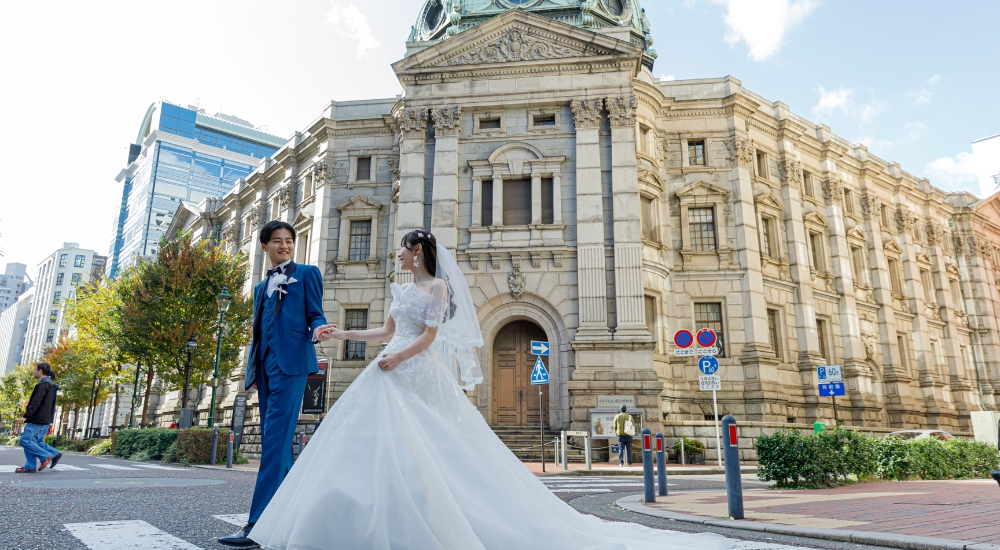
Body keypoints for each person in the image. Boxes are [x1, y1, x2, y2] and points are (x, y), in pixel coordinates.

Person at [245, 229, 730, 550]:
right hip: (390, 365)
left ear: (418, 252)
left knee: (434, 440)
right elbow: (385, 330)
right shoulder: (400, 289)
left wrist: (398, 355)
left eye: (402, 248)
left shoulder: (436, 289)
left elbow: (430, 337)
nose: (396, 252)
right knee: (372, 438)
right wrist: (344, 334)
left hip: (413, 366)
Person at [218, 220, 336, 547]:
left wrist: (319, 329)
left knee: (272, 442)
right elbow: (257, 334)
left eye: (288, 240)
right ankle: (287, 518)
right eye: (277, 241)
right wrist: (252, 373)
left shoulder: (307, 273)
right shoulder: (259, 288)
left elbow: (316, 313)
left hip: (293, 363)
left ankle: (256, 525)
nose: (284, 245)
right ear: (265, 246)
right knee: (280, 444)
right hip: (267, 368)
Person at [16, 363, 61, 473]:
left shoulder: (43, 385)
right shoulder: (48, 385)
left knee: (25, 440)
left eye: (35, 369)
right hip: (41, 418)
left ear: (40, 371)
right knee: (32, 442)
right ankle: (30, 465)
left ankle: (45, 455)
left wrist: (26, 416)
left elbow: (36, 402)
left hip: (37, 419)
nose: (33, 371)